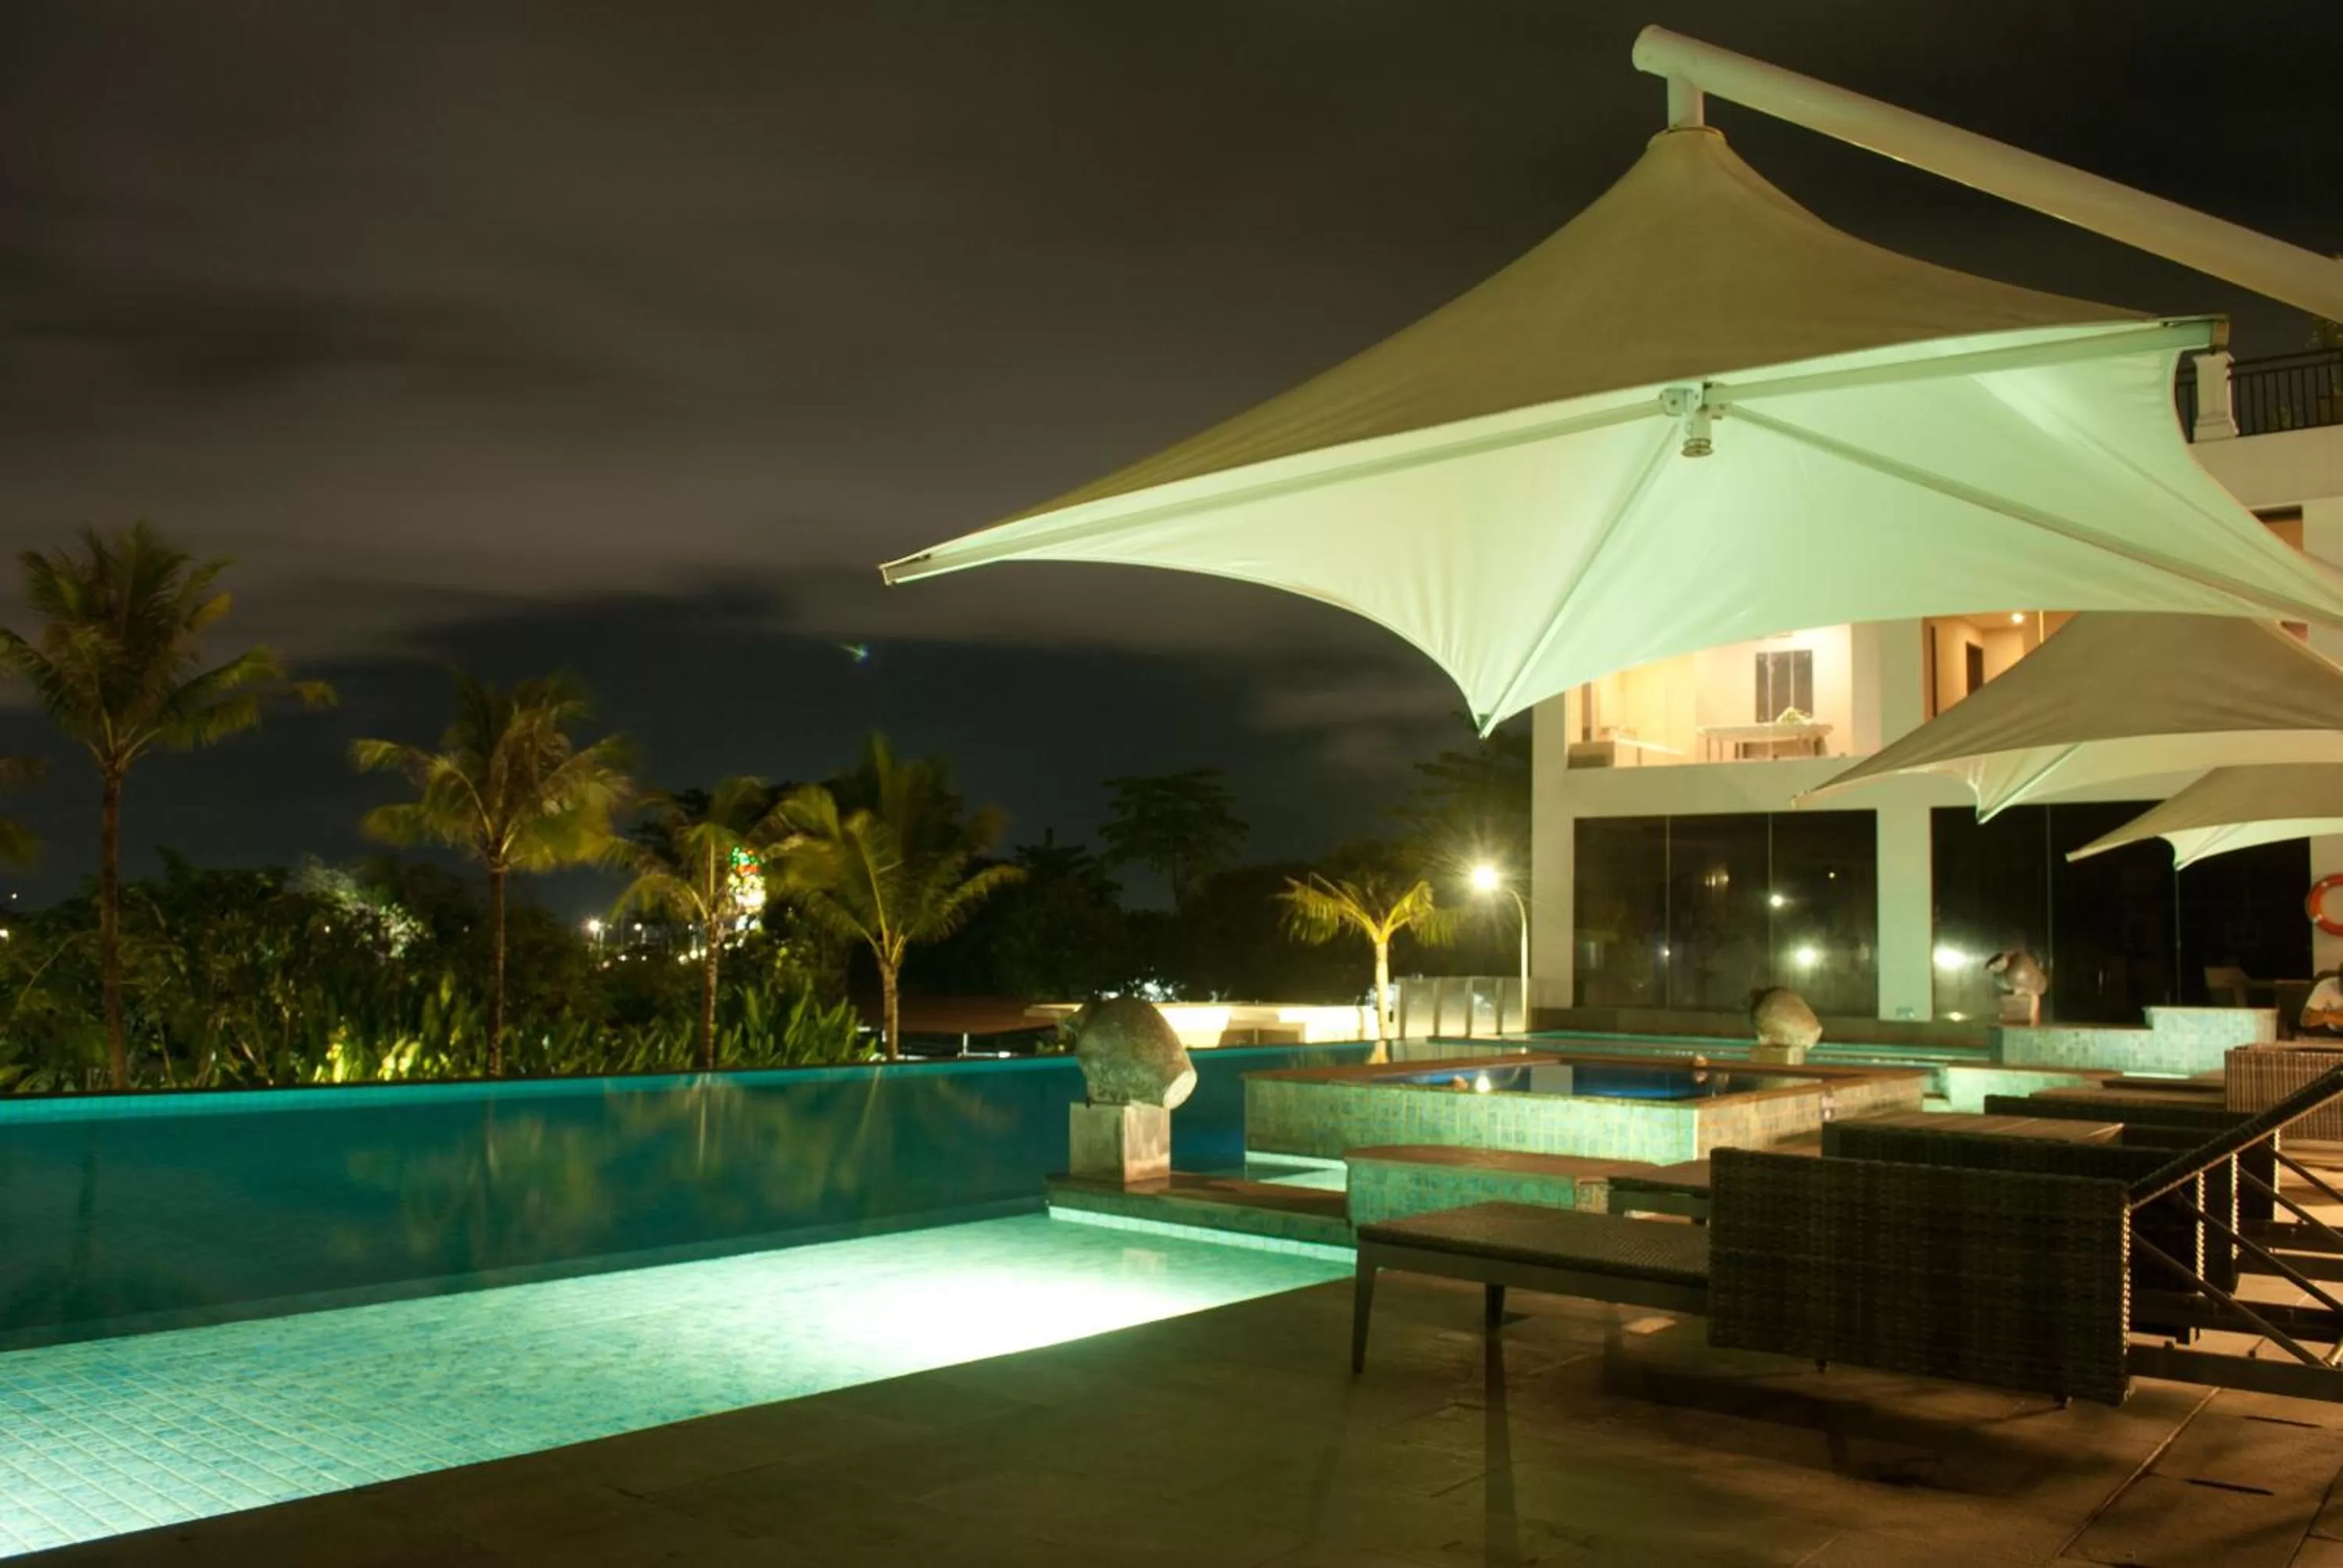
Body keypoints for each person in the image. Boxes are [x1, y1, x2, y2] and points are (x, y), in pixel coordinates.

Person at [2301, 973, 2343, 1039]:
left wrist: (2329, 1017)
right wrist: (2326, 1017)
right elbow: (2305, 1019)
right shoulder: (2326, 986)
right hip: (2332, 1032)